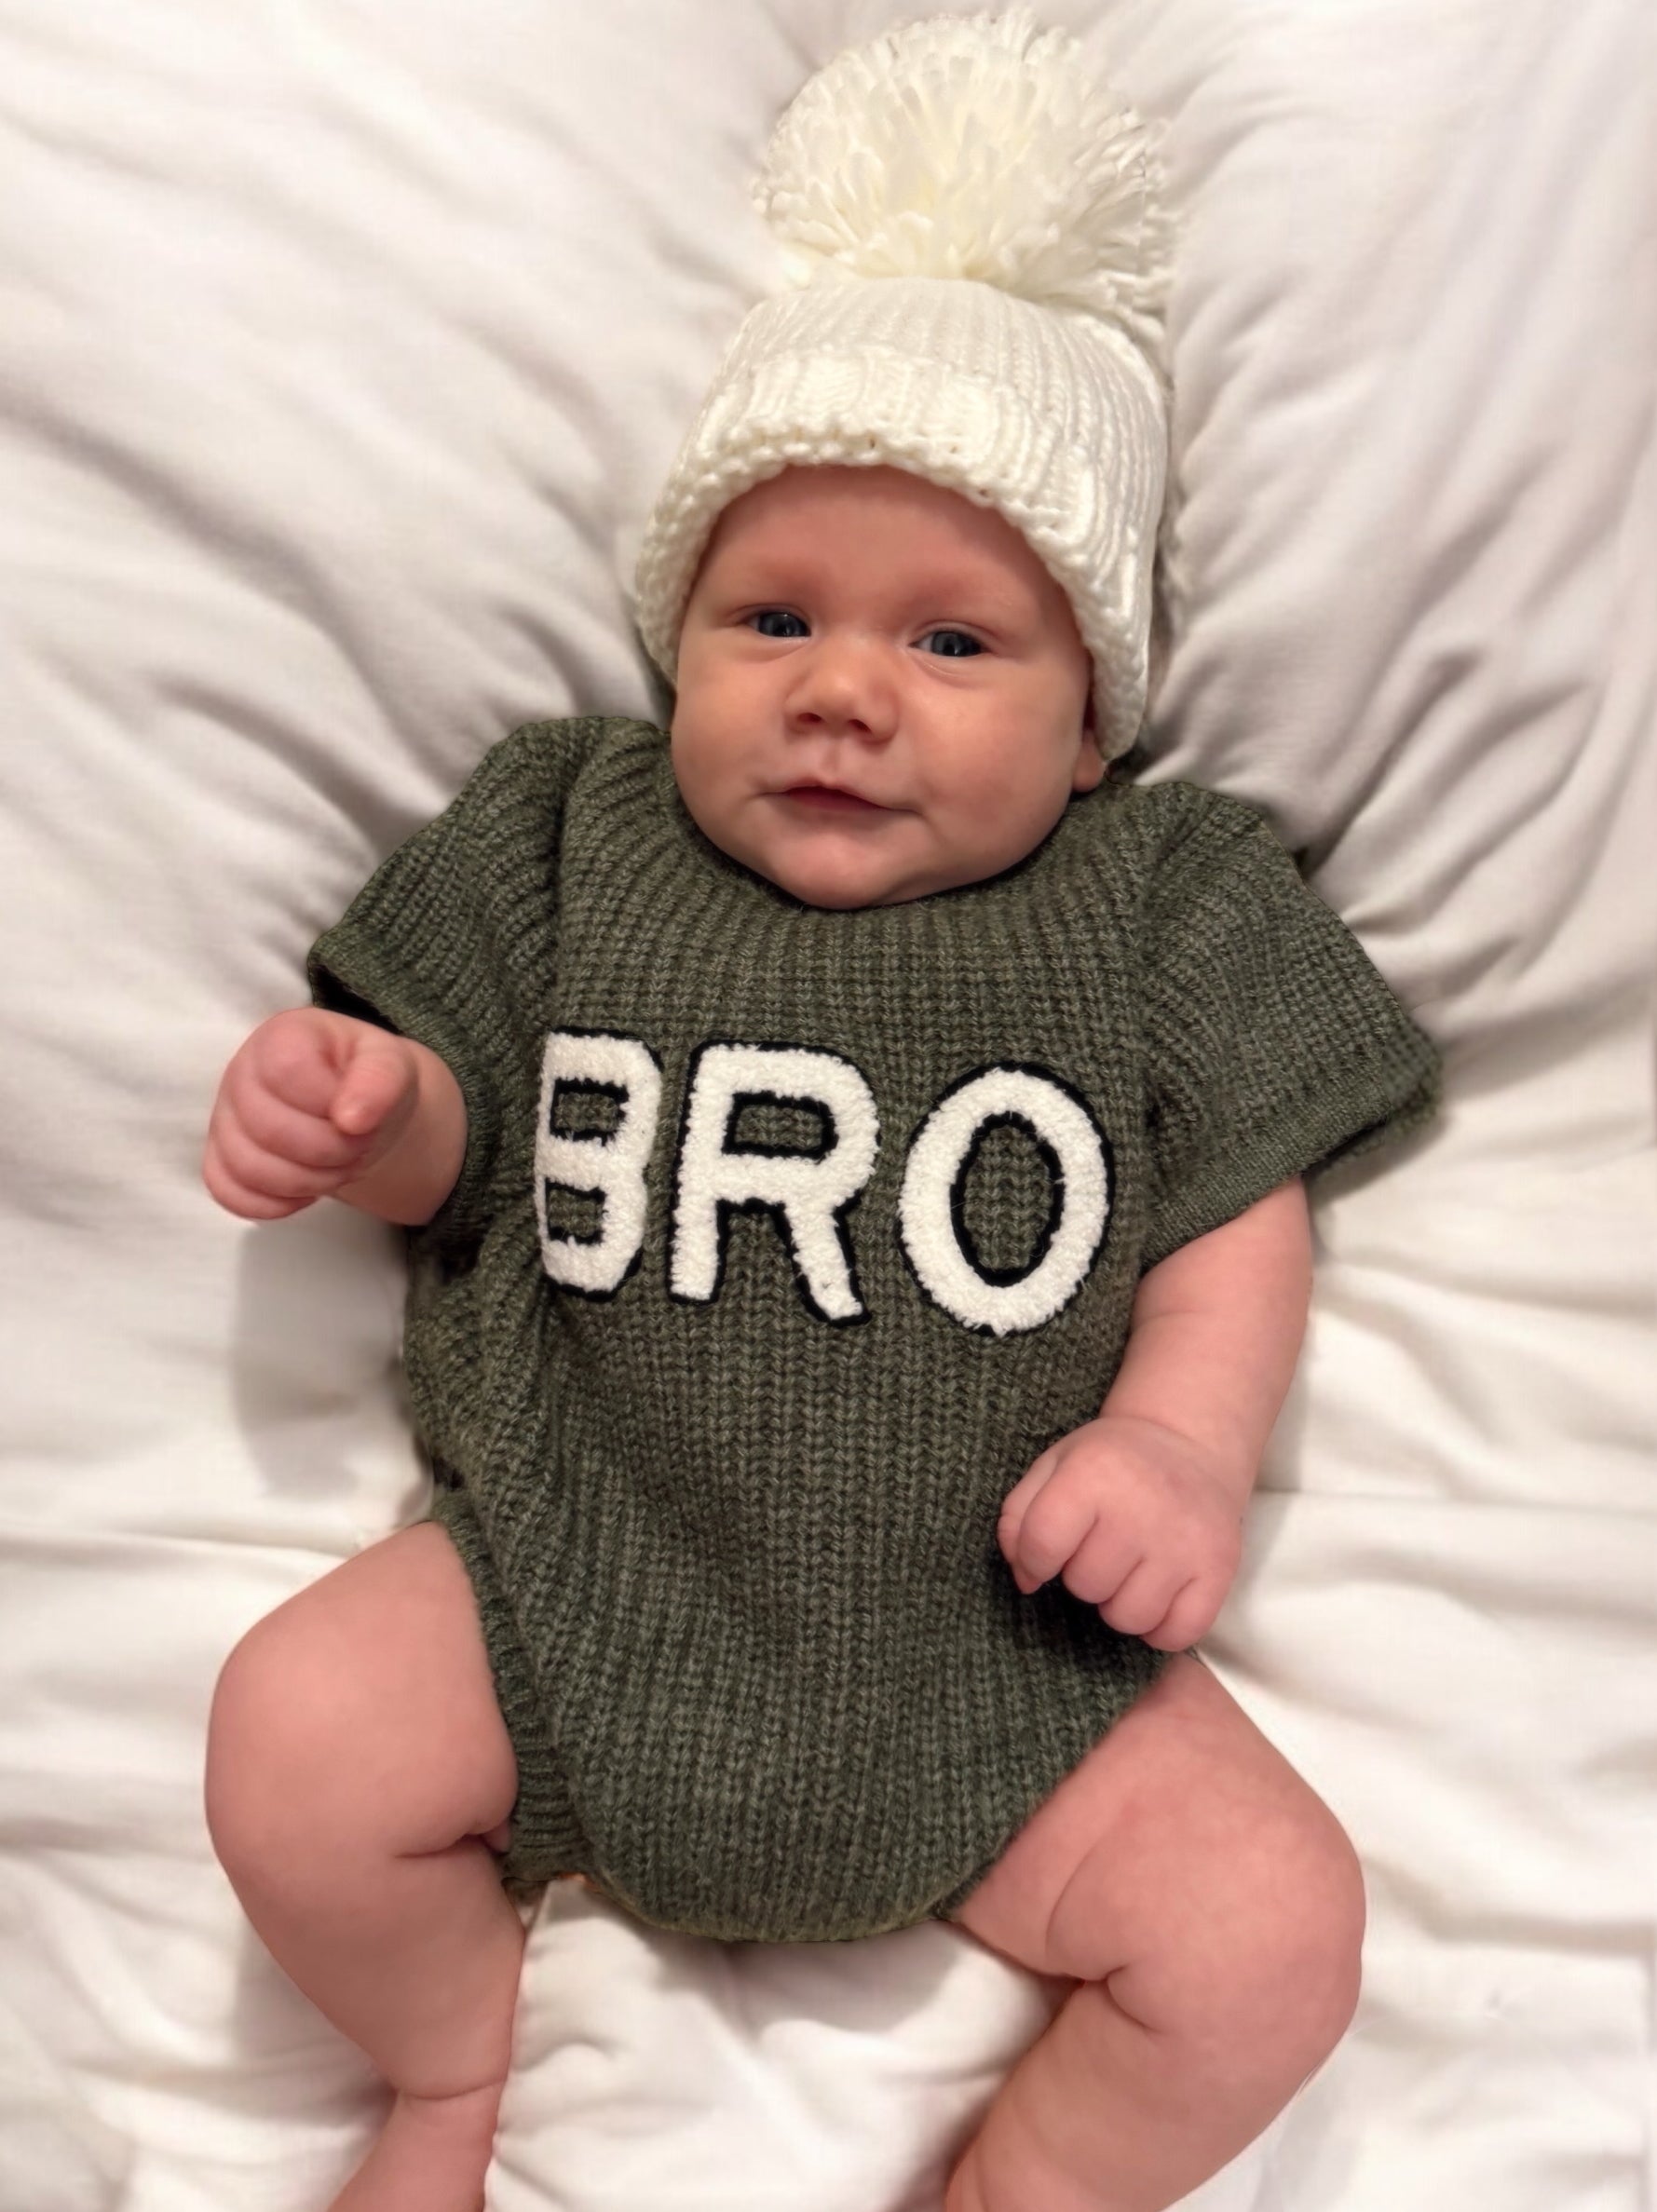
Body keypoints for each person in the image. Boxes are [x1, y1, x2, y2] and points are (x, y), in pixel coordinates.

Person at [200, 15, 1439, 2212]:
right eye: (769, 618)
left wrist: (1176, 1442)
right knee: (291, 1744)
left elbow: (1233, 1194)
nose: (845, 690)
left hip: (998, 1653)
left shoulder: (1154, 898)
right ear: (679, 646)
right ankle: (443, 2075)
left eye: (956, 646)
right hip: (571, 1587)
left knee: (1269, 1939)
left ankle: (1013, 2190)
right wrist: (364, 1104)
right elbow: (461, 1146)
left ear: (1089, 729)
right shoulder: (568, 835)